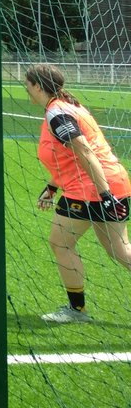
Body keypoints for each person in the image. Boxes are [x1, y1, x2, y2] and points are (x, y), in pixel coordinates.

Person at [24, 63, 131, 323]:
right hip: (111, 183)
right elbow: (69, 157)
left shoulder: (57, 114)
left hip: (93, 190)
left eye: (27, 84)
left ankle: (76, 310)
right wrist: (52, 186)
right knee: (121, 251)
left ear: (38, 86)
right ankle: (76, 310)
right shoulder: (69, 107)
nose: (26, 89)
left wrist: (105, 196)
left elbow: (85, 151)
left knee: (60, 242)